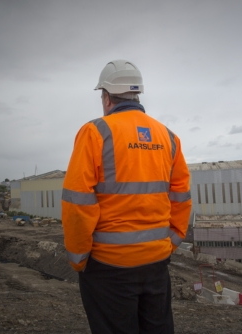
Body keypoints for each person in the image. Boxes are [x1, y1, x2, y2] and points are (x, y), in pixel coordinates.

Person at [61, 59, 192, 334]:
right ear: (137, 95)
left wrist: (78, 258)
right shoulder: (168, 137)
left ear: (106, 97)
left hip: (109, 266)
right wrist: (170, 244)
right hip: (157, 262)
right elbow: (181, 197)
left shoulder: (95, 132)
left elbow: (77, 203)